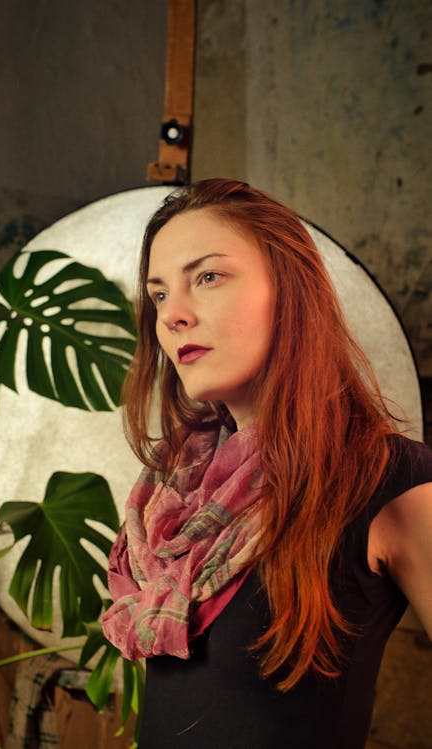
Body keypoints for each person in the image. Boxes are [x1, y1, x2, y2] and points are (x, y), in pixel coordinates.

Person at [101, 179, 432, 748]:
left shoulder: (388, 478)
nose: (173, 314)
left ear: (290, 291)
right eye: (158, 294)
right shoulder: (174, 496)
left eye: (207, 277)